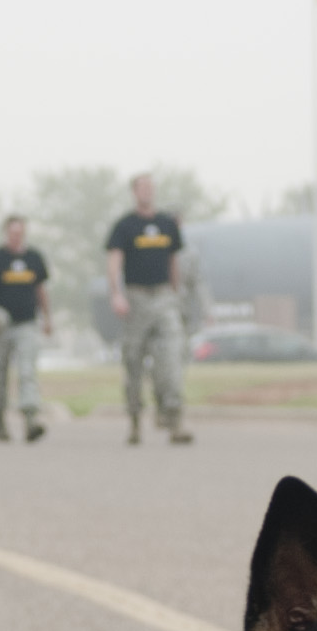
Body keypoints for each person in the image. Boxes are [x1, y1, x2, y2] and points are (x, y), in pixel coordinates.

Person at [102, 171, 194, 446]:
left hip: (164, 296)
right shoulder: (124, 226)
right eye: (142, 187)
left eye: (150, 187)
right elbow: (114, 262)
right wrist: (117, 294)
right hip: (136, 298)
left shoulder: (167, 224)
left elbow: (173, 261)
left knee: (171, 362)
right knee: (133, 363)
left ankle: (175, 423)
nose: (147, 191)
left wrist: (177, 294)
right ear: (134, 192)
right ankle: (134, 422)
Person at [0, 213, 50, 440]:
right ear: (6, 233)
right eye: (13, 232)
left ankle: (30, 421)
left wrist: (47, 318)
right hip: (0, 327)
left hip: (27, 324)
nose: (17, 236)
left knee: (27, 371)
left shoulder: (34, 257)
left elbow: (41, 290)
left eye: (20, 232)